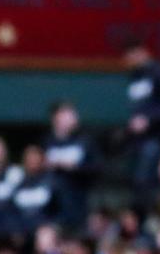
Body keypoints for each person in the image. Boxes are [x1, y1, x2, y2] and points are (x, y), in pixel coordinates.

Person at [123, 41, 160, 218]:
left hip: (156, 137)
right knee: (135, 182)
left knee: (148, 182)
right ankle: (139, 219)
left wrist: (149, 120)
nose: (129, 60)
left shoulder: (159, 73)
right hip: (138, 140)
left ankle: (151, 218)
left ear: (143, 52)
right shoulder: (135, 77)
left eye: (132, 55)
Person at [43, 101, 100, 234]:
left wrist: (73, 167)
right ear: (56, 118)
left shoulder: (85, 140)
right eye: (65, 115)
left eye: (72, 114)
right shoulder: (47, 141)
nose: (72, 118)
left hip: (80, 203)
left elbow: (97, 168)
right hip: (54, 205)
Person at [12, 145, 59, 241]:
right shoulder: (18, 183)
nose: (32, 162)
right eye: (29, 159)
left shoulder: (52, 182)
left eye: (35, 159)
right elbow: (13, 211)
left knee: (45, 238)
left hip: (45, 228)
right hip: (23, 230)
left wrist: (52, 227)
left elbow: (59, 210)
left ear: (42, 161)